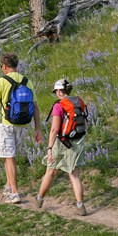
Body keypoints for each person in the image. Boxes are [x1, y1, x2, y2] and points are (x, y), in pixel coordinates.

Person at [0, 53, 42, 204]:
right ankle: (9, 186)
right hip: (23, 125)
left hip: (7, 124)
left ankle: (15, 193)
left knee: (9, 158)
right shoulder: (27, 81)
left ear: (4, 66)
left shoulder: (2, 81)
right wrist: (38, 129)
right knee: (8, 155)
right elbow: (35, 107)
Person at [31, 79, 87, 216]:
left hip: (62, 142)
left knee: (50, 171)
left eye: (56, 91)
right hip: (77, 141)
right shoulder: (79, 101)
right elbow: (85, 121)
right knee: (74, 174)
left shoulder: (59, 106)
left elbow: (55, 129)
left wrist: (49, 147)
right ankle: (80, 206)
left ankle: (39, 199)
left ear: (60, 91)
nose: (56, 94)